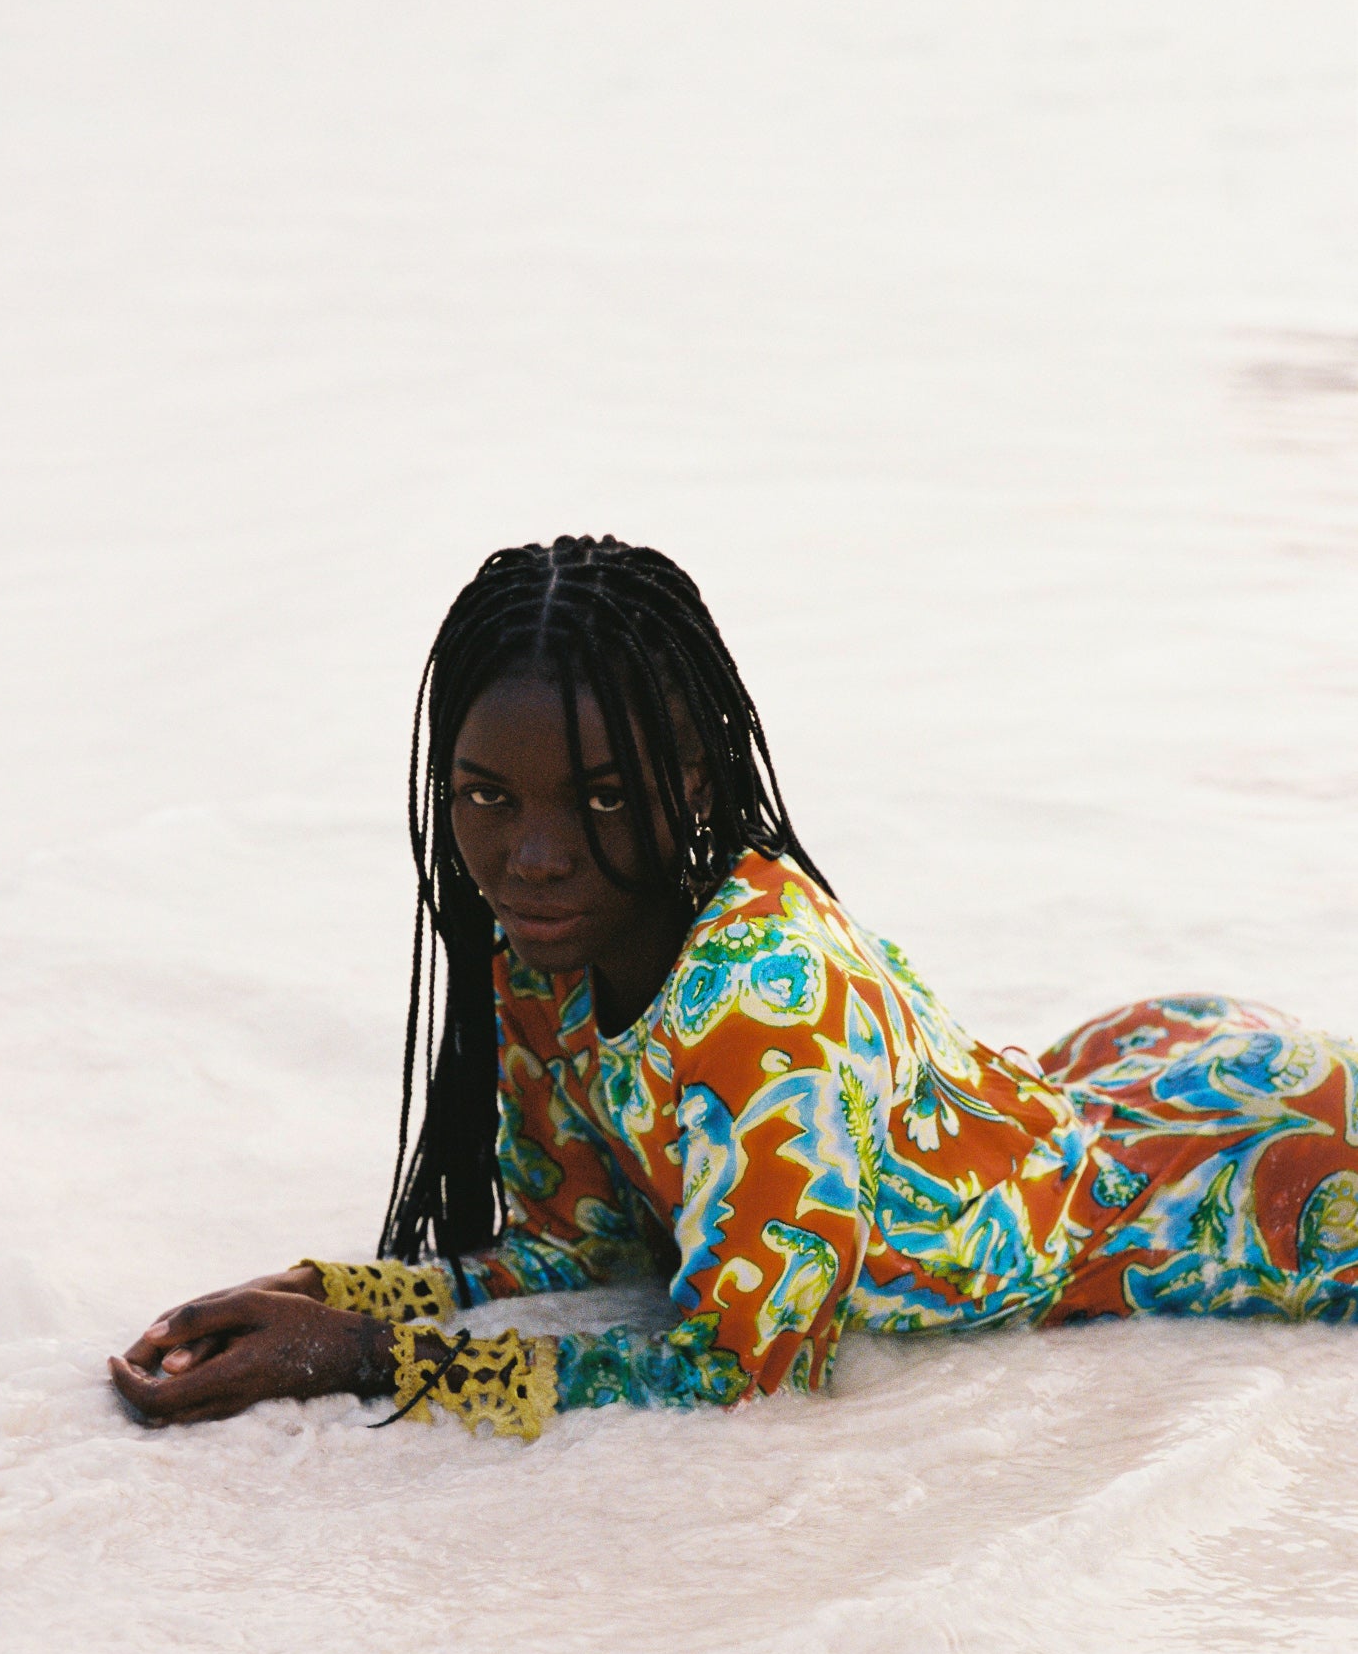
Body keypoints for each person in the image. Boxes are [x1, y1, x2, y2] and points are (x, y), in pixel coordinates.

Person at [110, 537, 1358, 1440]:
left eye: (600, 797)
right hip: (1109, 1075)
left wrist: (365, 1359)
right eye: (487, 795)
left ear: (694, 785)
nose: (531, 855)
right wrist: (340, 1292)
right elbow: (586, 1244)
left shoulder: (766, 1004)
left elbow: (748, 1374)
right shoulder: (548, 947)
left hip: (1250, 1177)